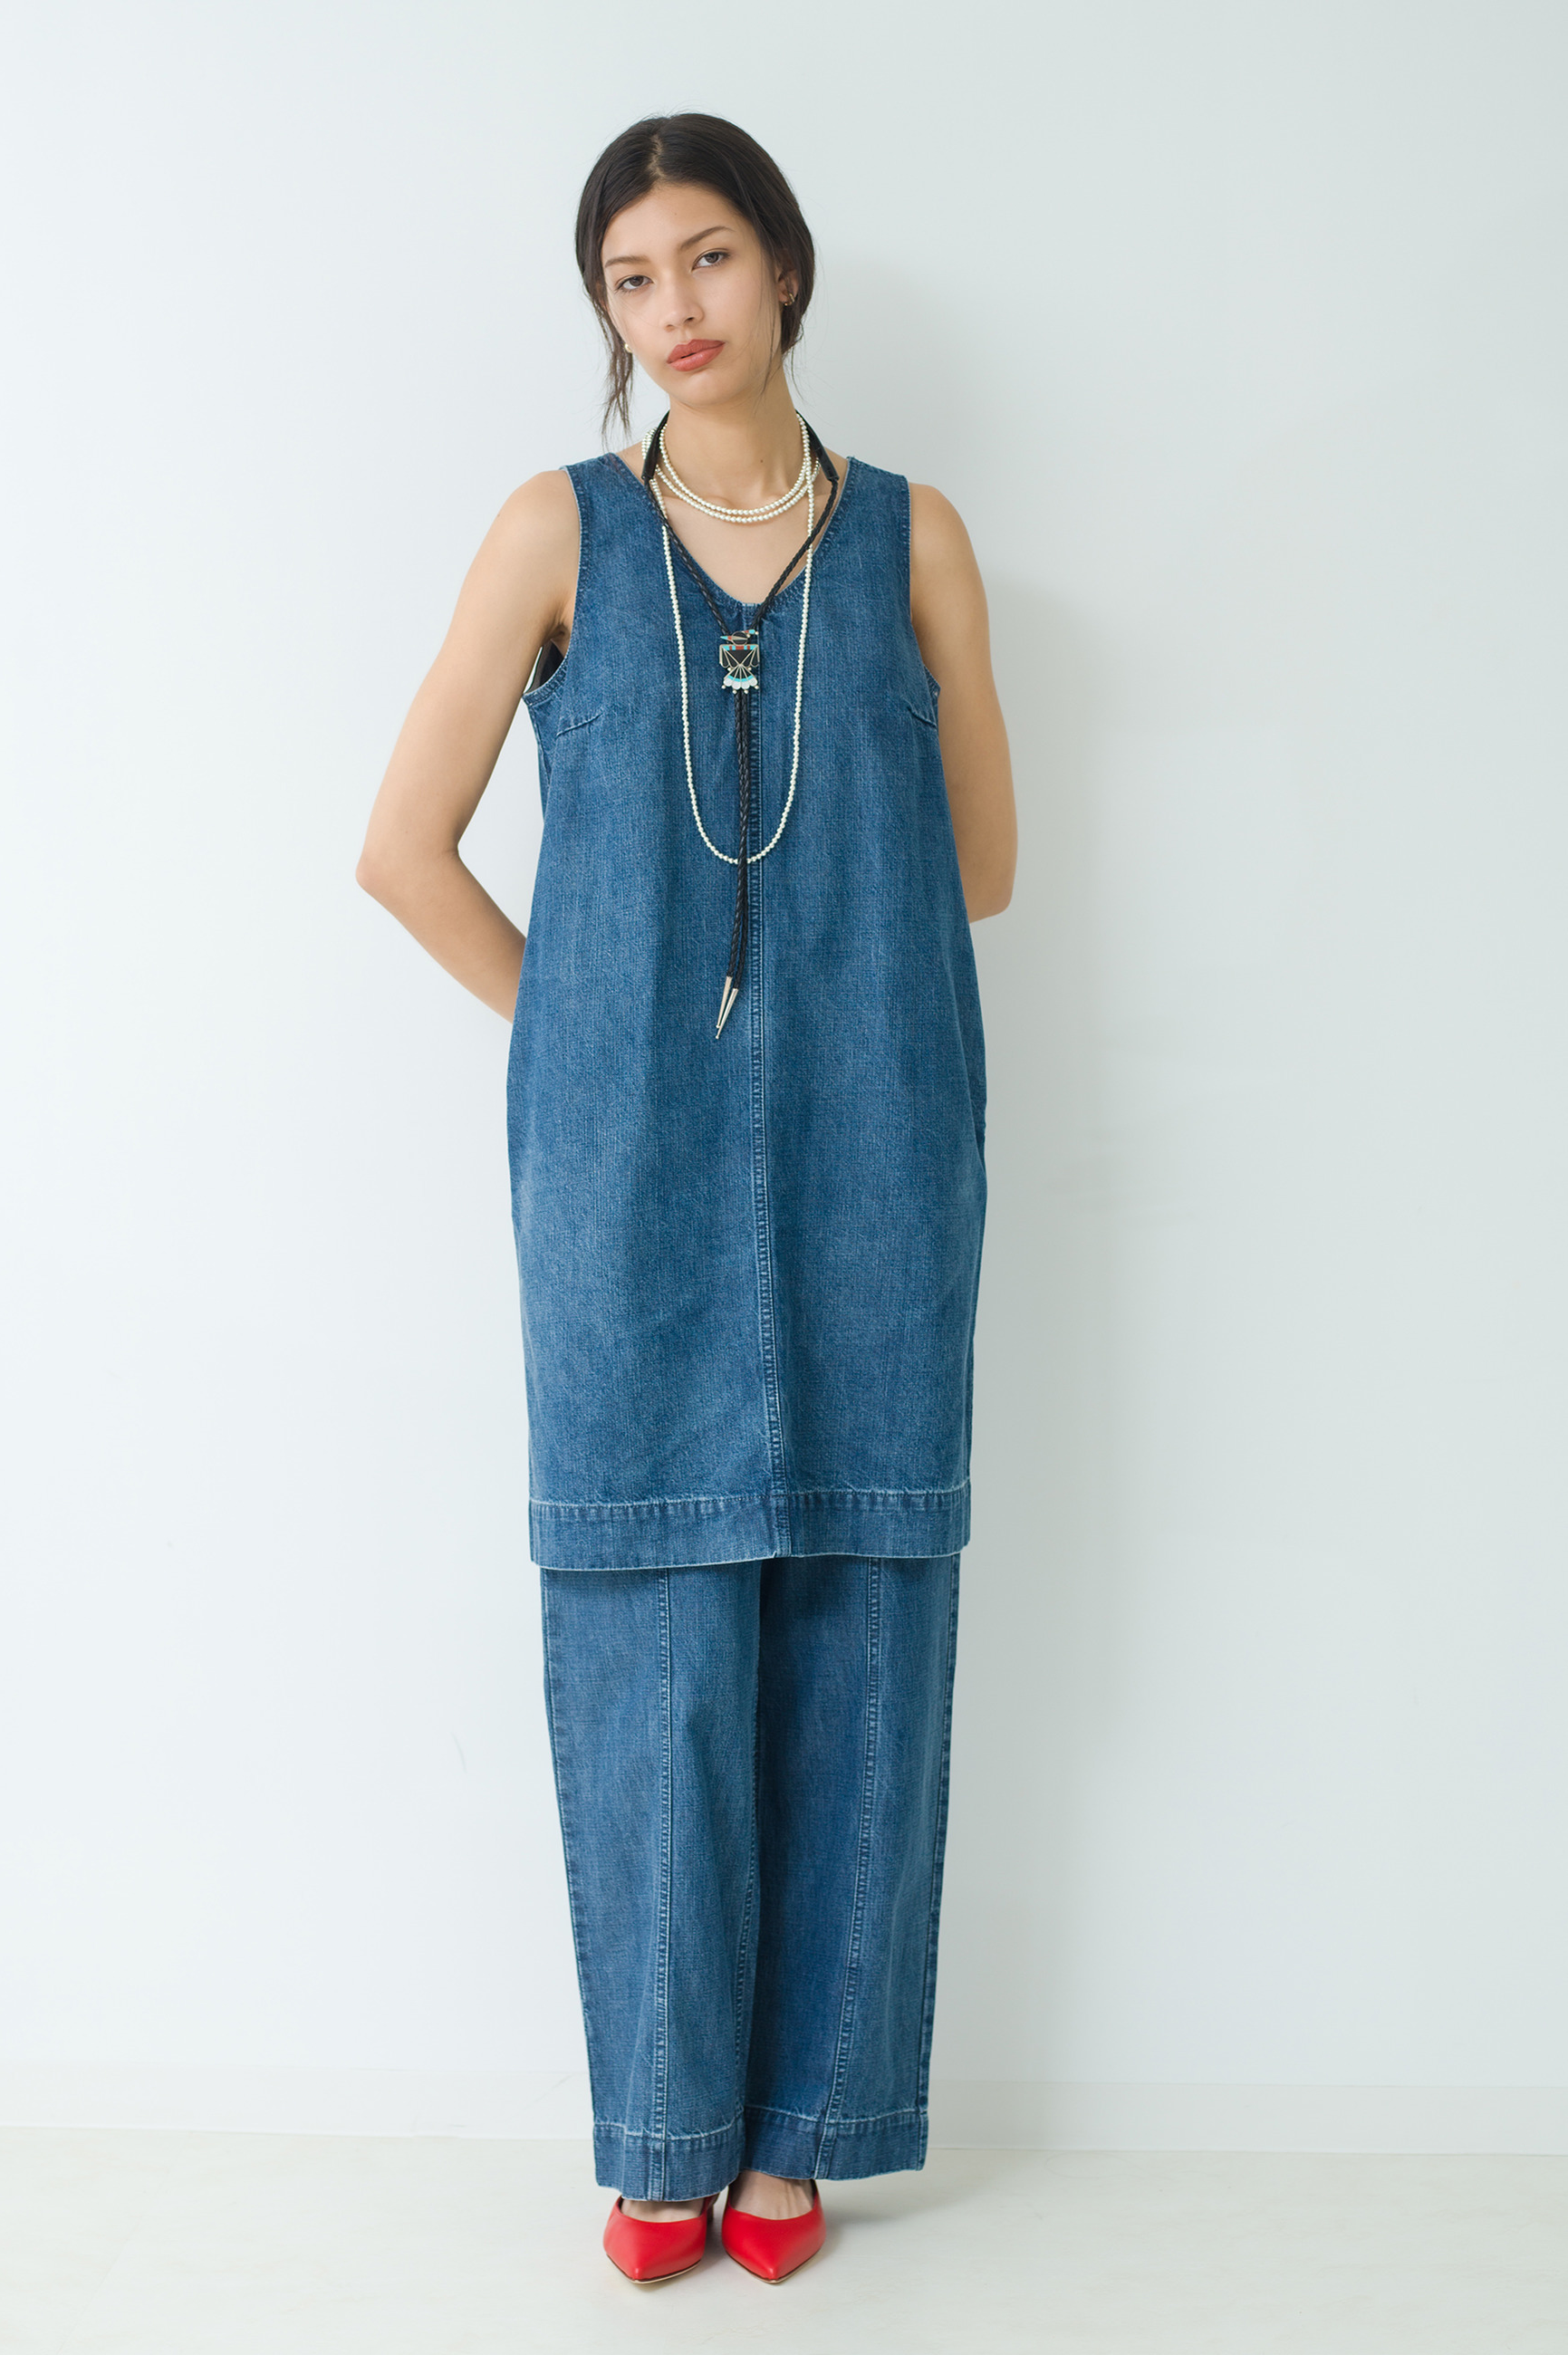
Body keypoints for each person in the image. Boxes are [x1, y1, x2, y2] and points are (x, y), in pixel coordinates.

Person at [356, 112, 1015, 2287]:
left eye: (708, 257)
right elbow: (402, 848)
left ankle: (798, 2134)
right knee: (650, 1629)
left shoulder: (914, 541)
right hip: (624, 1176)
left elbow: (983, 865)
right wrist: (594, 1031)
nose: (675, 309)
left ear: (786, 268)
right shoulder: (553, 532)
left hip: (877, 1151)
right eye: (631, 279)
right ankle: (663, 2135)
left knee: (860, 1606)